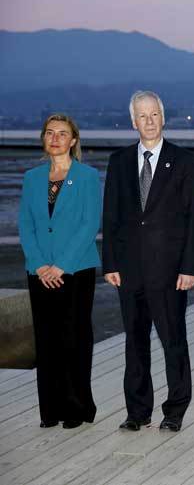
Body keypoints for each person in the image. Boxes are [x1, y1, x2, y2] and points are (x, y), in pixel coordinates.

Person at [102, 91, 194, 432]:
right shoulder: (118, 162)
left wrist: (190, 268)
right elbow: (111, 216)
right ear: (133, 122)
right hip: (129, 271)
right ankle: (137, 411)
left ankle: (175, 410)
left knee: (174, 341)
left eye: (154, 114)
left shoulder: (185, 161)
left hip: (170, 271)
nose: (148, 121)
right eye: (142, 116)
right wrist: (110, 263)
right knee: (135, 342)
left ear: (163, 117)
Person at [19, 114, 100, 429]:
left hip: (75, 269)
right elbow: (26, 224)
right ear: (43, 138)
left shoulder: (87, 176)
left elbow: (89, 224)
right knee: (47, 338)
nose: (55, 138)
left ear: (74, 141)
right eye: (49, 133)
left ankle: (77, 408)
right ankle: (50, 410)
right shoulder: (31, 177)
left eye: (62, 133)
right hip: (38, 271)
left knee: (74, 337)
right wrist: (40, 263)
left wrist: (61, 266)